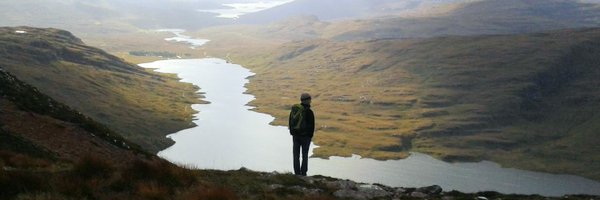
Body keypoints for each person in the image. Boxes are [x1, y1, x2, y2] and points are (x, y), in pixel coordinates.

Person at [288, 93, 315, 176]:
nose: (310, 101)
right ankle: (303, 173)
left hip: (295, 136)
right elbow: (311, 125)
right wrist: (310, 136)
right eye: (310, 99)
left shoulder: (295, 110)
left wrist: (292, 133)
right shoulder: (309, 111)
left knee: (296, 155)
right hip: (305, 137)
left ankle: (297, 173)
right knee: (305, 155)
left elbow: (290, 121)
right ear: (307, 100)